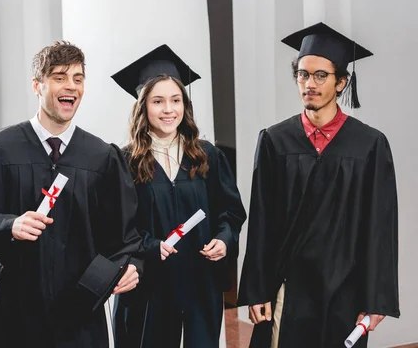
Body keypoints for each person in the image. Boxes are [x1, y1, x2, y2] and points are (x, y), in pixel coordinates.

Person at [0, 41, 142, 348]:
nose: (70, 86)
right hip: (13, 309)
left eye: (78, 78)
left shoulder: (102, 157)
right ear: (37, 85)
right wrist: (10, 225)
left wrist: (133, 264)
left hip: (79, 311)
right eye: (59, 77)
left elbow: (125, 237)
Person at [238, 22, 400, 347]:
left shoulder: (369, 145)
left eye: (320, 76)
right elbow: (261, 222)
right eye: (302, 74)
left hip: (346, 289)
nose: (308, 84)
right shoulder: (274, 141)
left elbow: (380, 227)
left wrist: (377, 298)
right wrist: (257, 290)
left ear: (341, 82)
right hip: (289, 286)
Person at [111, 44, 247, 347]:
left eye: (175, 100)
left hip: (200, 282)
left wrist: (224, 240)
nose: (168, 109)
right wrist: (149, 245)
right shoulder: (125, 161)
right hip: (149, 287)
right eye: (158, 101)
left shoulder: (206, 155)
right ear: (143, 105)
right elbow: (117, 225)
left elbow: (231, 211)